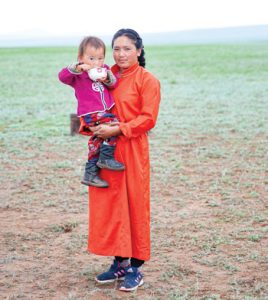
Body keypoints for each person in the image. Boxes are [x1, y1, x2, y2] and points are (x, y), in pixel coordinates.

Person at [88, 29, 161, 292]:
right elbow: (89, 103)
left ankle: (135, 267)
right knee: (112, 206)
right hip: (105, 150)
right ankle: (119, 262)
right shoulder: (105, 77)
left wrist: (119, 129)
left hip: (132, 149)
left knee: (134, 205)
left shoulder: (147, 80)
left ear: (139, 51)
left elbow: (148, 118)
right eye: (116, 49)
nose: (121, 54)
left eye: (127, 48)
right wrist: (88, 127)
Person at [58, 36, 125, 188]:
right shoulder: (78, 74)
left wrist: (107, 77)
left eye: (100, 58)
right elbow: (62, 77)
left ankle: (90, 173)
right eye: (91, 58)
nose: (97, 62)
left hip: (103, 111)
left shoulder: (104, 69)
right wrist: (77, 68)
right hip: (91, 112)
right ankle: (106, 158)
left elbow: (114, 85)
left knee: (97, 142)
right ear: (81, 58)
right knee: (114, 125)